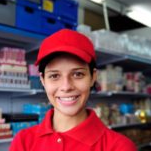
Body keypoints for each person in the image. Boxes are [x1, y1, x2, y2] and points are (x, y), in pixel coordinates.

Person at [9, 29, 137, 151]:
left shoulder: (119, 147)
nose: (66, 86)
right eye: (54, 76)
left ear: (93, 77)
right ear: (43, 80)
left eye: (78, 74)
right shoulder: (23, 141)